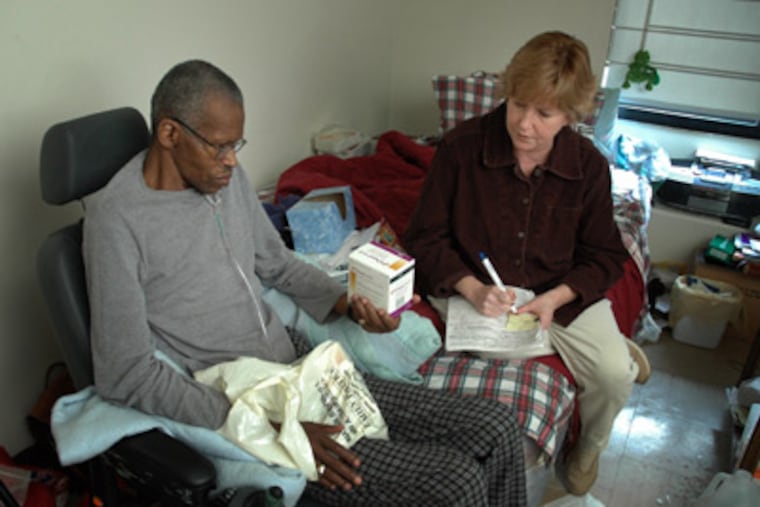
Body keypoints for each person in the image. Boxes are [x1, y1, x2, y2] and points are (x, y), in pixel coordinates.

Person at [82, 59, 527, 507]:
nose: (232, 162)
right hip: (249, 401)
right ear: (169, 134)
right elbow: (126, 373)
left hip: (301, 369)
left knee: (498, 427)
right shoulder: (117, 222)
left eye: (237, 144)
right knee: (457, 483)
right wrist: (273, 427)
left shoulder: (223, 179)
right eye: (219, 147)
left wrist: (349, 305)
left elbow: (276, 263)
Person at [404, 31, 651, 496]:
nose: (524, 124)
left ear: (571, 116)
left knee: (615, 376)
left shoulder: (590, 167)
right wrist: (472, 288)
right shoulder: (461, 148)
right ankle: (596, 350)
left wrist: (556, 299)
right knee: (481, 347)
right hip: (483, 294)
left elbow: (605, 256)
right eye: (518, 104)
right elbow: (425, 237)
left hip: (559, 294)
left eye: (544, 113)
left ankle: (586, 449)